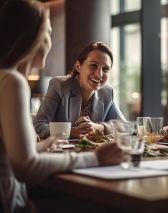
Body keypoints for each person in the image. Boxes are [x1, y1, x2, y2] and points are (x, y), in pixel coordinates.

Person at [0, 1, 125, 212]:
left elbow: (10, 153)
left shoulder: (6, 78)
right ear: (30, 37)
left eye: (106, 69)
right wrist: (96, 157)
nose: (51, 40)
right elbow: (25, 167)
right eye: (48, 32)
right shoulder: (13, 82)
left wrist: (40, 147)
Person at [33, 41, 125, 139]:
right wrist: (73, 132)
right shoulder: (59, 85)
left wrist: (98, 127)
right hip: (60, 151)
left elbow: (124, 126)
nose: (99, 74)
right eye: (93, 65)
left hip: (92, 151)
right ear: (78, 66)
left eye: (105, 69)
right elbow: (38, 125)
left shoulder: (107, 91)